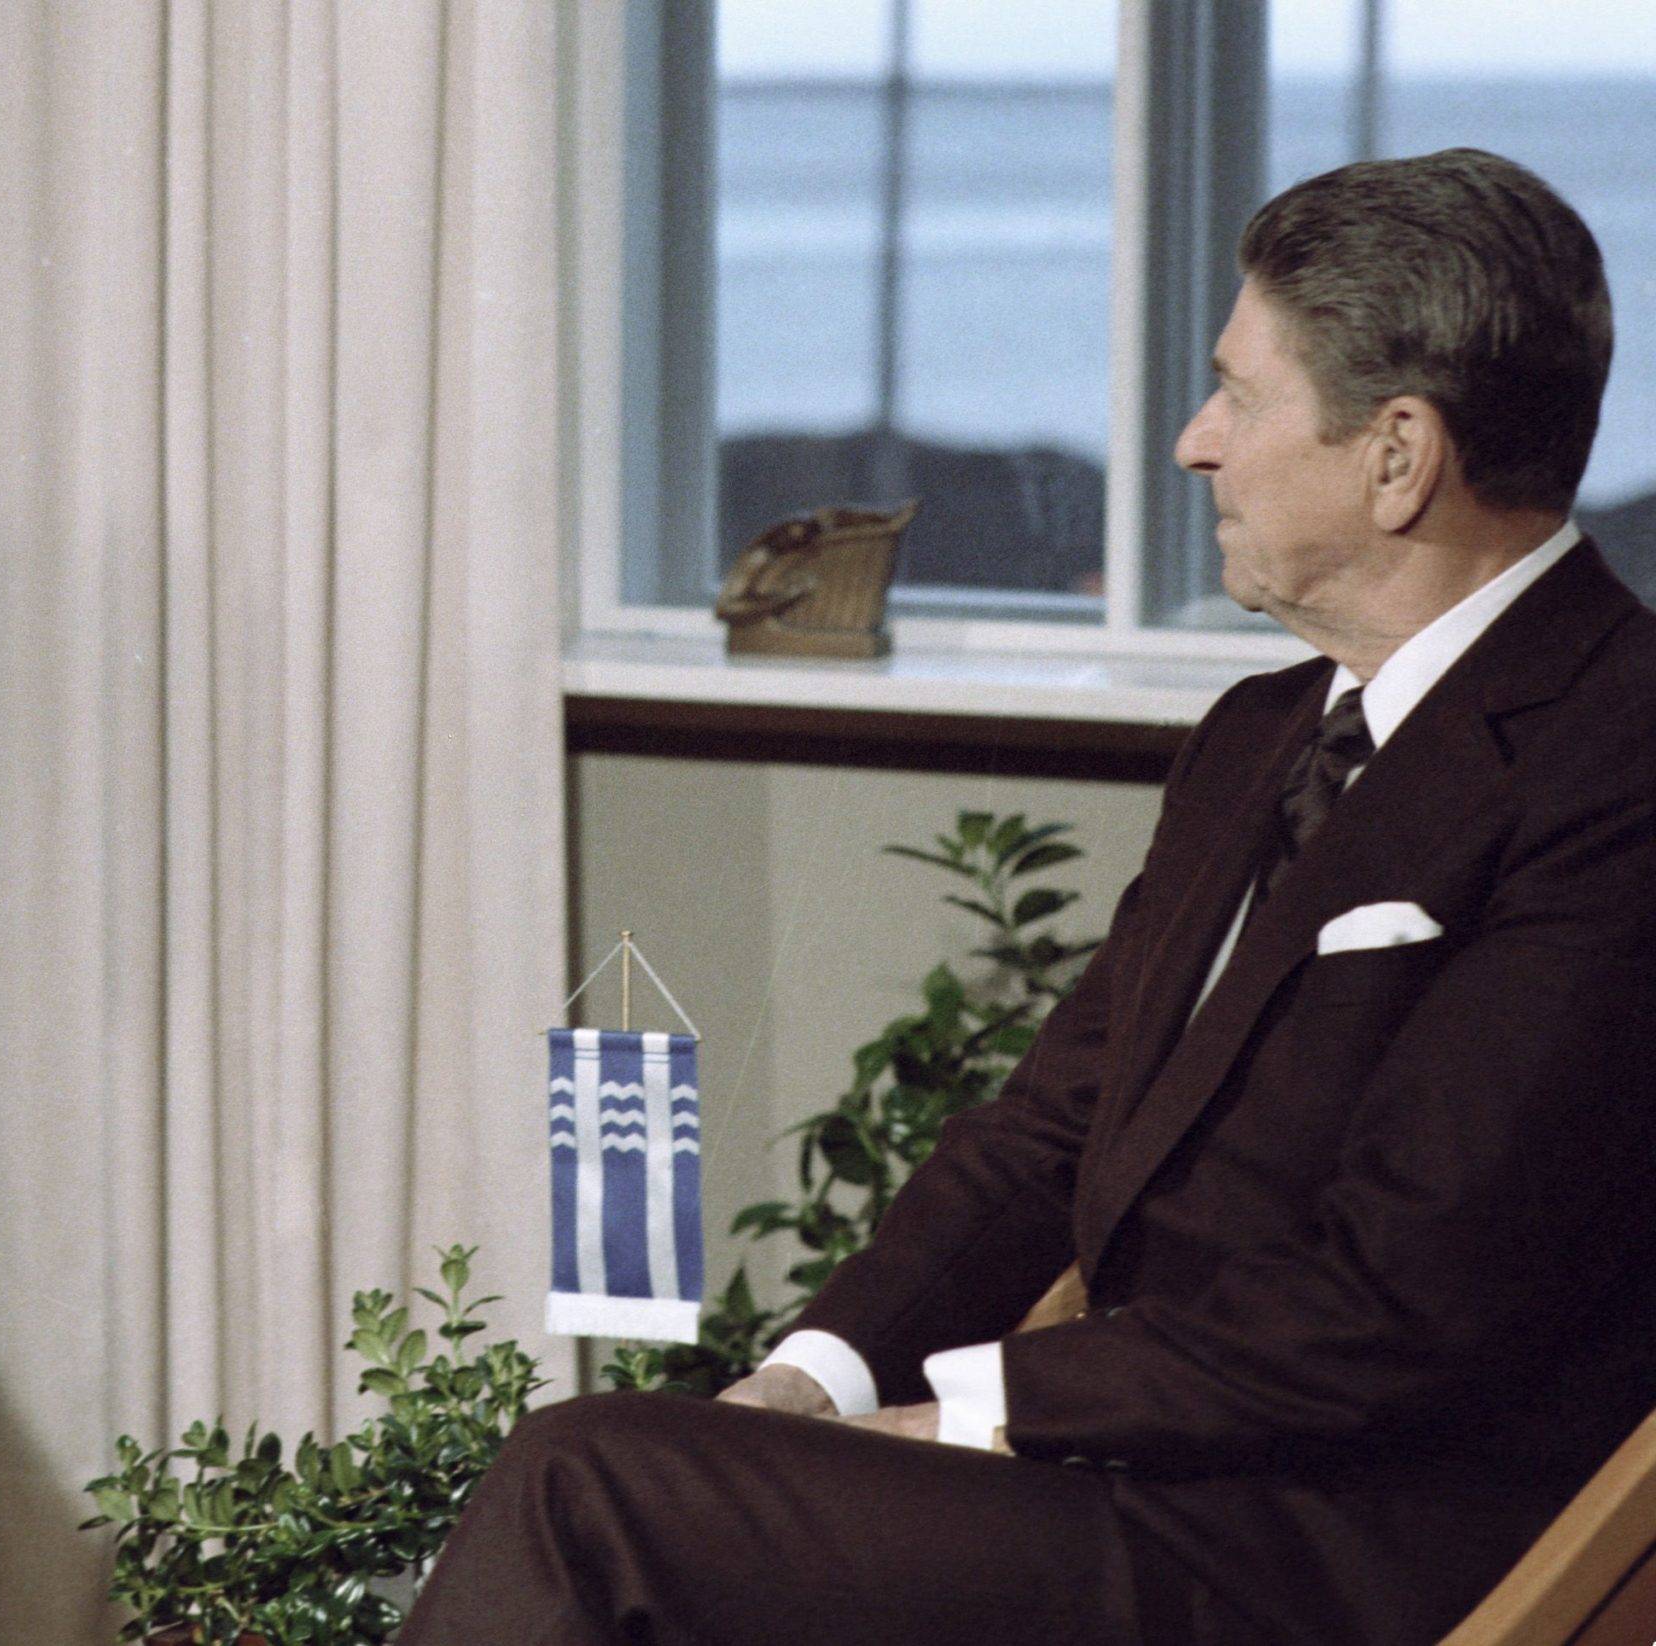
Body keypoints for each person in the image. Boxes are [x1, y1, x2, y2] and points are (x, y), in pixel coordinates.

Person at [402, 148, 1656, 1645]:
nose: (1196, 443)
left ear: (1397, 455)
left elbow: (1392, 1303)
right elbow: (1050, 1133)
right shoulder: (1260, 737)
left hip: (1334, 1552)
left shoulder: (1617, 752)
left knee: (584, 1487)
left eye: (1239, 397)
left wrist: (966, 1414)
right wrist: (813, 1381)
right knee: (641, 1466)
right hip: (1134, 1486)